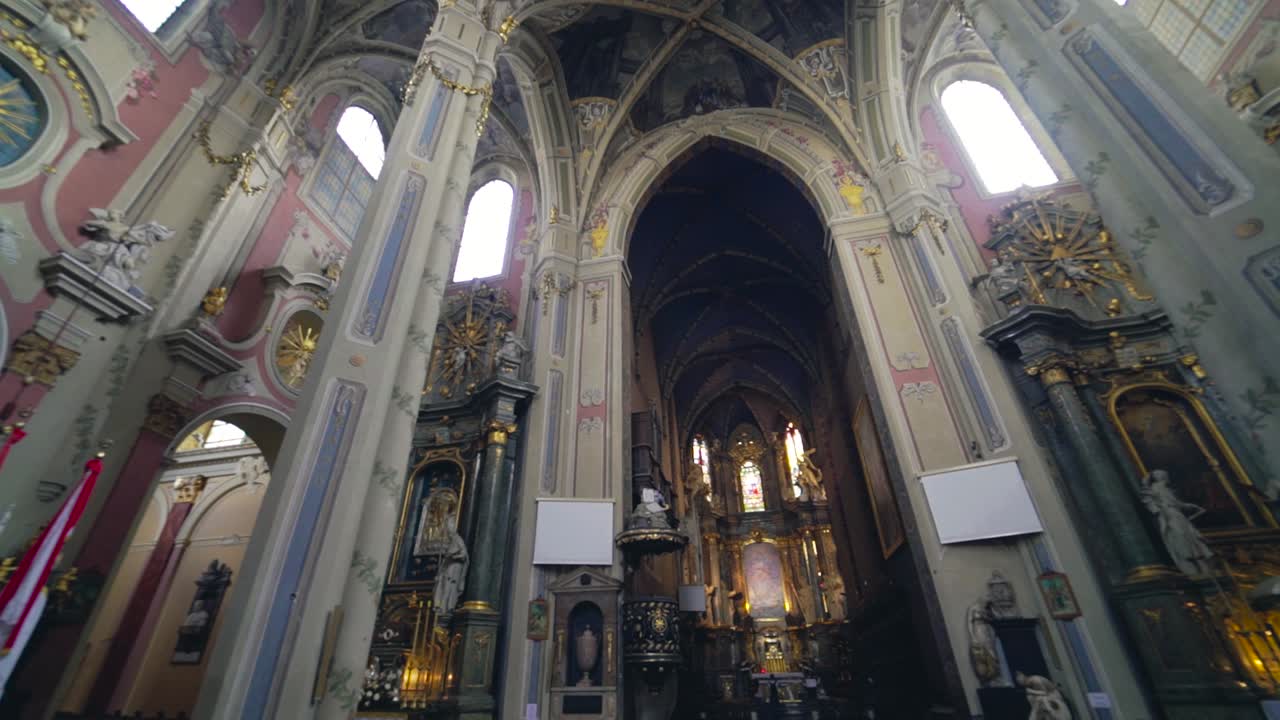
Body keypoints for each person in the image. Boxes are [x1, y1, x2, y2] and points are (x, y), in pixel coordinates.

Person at [1140, 470, 1214, 577]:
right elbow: (1150, 498)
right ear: (1162, 477)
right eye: (1166, 475)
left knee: (1191, 540)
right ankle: (1192, 569)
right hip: (1170, 517)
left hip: (1178, 516)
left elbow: (1178, 504)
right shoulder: (1156, 488)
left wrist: (1193, 506)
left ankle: (1202, 568)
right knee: (1181, 540)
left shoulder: (1165, 489)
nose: (1168, 477)